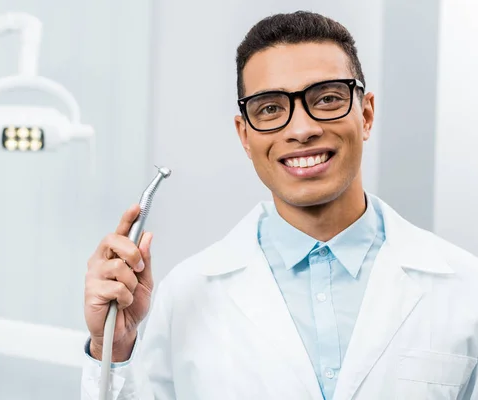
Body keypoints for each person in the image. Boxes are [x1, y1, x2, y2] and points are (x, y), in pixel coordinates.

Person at [81, 10, 478, 400]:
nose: (302, 129)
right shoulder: (186, 294)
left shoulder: (464, 287)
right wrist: (111, 351)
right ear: (245, 135)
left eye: (326, 98)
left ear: (367, 114)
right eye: (270, 109)